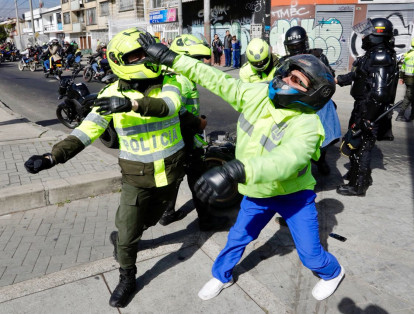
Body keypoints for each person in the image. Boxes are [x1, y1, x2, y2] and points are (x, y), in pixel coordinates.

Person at [138, 32, 345, 303]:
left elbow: (286, 161)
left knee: (310, 254)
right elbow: (215, 78)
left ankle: (333, 272)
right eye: (287, 74)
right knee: (237, 238)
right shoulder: (259, 94)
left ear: (312, 95)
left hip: (294, 197)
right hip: (257, 192)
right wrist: (171, 58)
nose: (285, 80)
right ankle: (221, 275)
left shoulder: (308, 124)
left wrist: (234, 170)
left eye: (297, 81)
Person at [24, 27, 190, 308]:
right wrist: (53, 157)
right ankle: (127, 276)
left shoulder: (172, 81)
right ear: (120, 61)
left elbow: (169, 106)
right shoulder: (110, 92)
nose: (146, 57)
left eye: (148, 50)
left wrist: (130, 103)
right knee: (127, 232)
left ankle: (129, 238)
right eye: (138, 54)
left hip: (171, 175)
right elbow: (86, 131)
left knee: (147, 223)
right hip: (135, 178)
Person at [158, 34, 229, 231]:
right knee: (199, 179)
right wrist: (199, 122)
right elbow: (177, 113)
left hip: (177, 138)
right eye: (195, 60)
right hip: (186, 136)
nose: (199, 64)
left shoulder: (173, 75)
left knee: (177, 175)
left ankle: (167, 213)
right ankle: (207, 221)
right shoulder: (180, 80)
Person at [336, 18, 399, 196]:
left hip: (369, 109)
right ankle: (356, 174)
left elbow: (379, 94)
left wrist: (368, 118)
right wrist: (338, 80)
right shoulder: (374, 54)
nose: (364, 37)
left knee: (362, 146)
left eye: (367, 34)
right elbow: (358, 75)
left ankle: (359, 185)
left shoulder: (380, 57)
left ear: (377, 35)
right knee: (356, 142)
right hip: (362, 106)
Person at [281, 25, 341, 176]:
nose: (295, 49)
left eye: (298, 45)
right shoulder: (284, 62)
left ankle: (321, 158)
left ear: (305, 44)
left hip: (315, 101)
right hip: (293, 103)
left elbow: (329, 79)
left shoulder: (318, 58)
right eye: (292, 47)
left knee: (328, 110)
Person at [396, 38, 414, 122]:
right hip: (412, 80)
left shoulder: (408, 54)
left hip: (407, 79)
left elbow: (402, 67)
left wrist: (401, 77)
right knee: (408, 97)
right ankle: (400, 115)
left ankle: (412, 115)